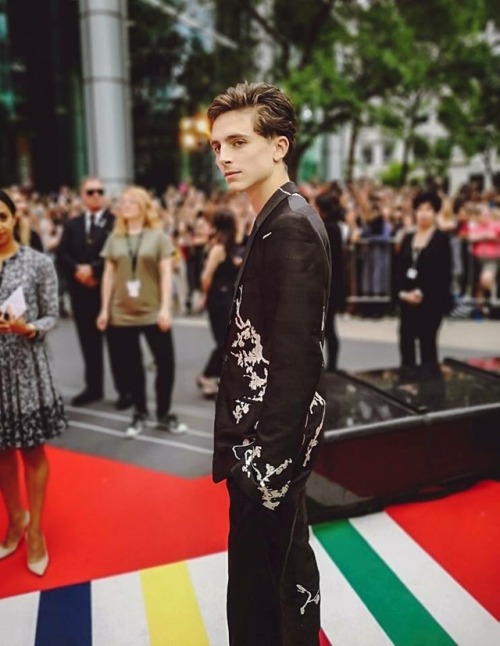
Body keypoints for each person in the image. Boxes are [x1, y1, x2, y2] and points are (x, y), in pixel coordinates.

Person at [208, 82, 331, 645]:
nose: (224, 156)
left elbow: (298, 360)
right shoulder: (274, 217)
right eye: (216, 146)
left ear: (279, 146)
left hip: (267, 454)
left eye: (238, 141)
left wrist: (261, 471)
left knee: (269, 600)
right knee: (273, 585)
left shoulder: (292, 226)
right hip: (259, 447)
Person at [0, 189, 66, 577]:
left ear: (14, 219)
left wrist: (29, 328)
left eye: (2, 217)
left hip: (28, 370)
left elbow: (53, 315)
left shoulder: (38, 263)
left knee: (31, 452)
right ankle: (15, 519)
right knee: (2, 453)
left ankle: (36, 531)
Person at [97, 186, 185, 438]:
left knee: (165, 363)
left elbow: (167, 273)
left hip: (153, 310)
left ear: (144, 206)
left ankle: (164, 413)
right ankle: (139, 411)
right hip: (121, 313)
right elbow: (108, 276)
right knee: (131, 365)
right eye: (123, 202)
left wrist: (166, 308)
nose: (125, 205)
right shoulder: (114, 238)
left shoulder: (158, 237)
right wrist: (104, 309)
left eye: (132, 201)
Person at [58, 177, 131, 408]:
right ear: (83, 196)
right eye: (90, 192)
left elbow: (120, 252)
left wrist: (94, 270)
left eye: (100, 191)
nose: (96, 195)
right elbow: (62, 255)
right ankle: (94, 387)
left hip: (108, 291)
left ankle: (124, 390)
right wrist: (78, 270)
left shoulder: (116, 222)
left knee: (117, 344)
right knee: (89, 343)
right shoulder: (73, 224)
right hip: (81, 293)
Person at [396, 191, 452, 366]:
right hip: (407, 302)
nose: (423, 214)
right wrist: (402, 293)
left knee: (428, 346)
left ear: (435, 213)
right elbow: (397, 269)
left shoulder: (441, 239)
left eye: (428, 209)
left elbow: (443, 273)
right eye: (420, 209)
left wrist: (423, 292)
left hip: (430, 303)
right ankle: (406, 386)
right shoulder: (407, 238)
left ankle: (430, 390)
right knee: (406, 344)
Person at [197, 208, 241, 398]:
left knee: (229, 339)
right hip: (219, 298)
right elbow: (206, 276)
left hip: (227, 296)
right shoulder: (218, 248)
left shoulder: (227, 246)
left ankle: (219, 376)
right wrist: (205, 296)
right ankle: (207, 375)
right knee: (224, 339)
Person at [315, 190, 345, 371]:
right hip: (333, 284)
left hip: (327, 285)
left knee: (326, 328)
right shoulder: (334, 228)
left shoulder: (327, 228)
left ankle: (330, 365)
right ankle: (331, 364)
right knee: (328, 328)